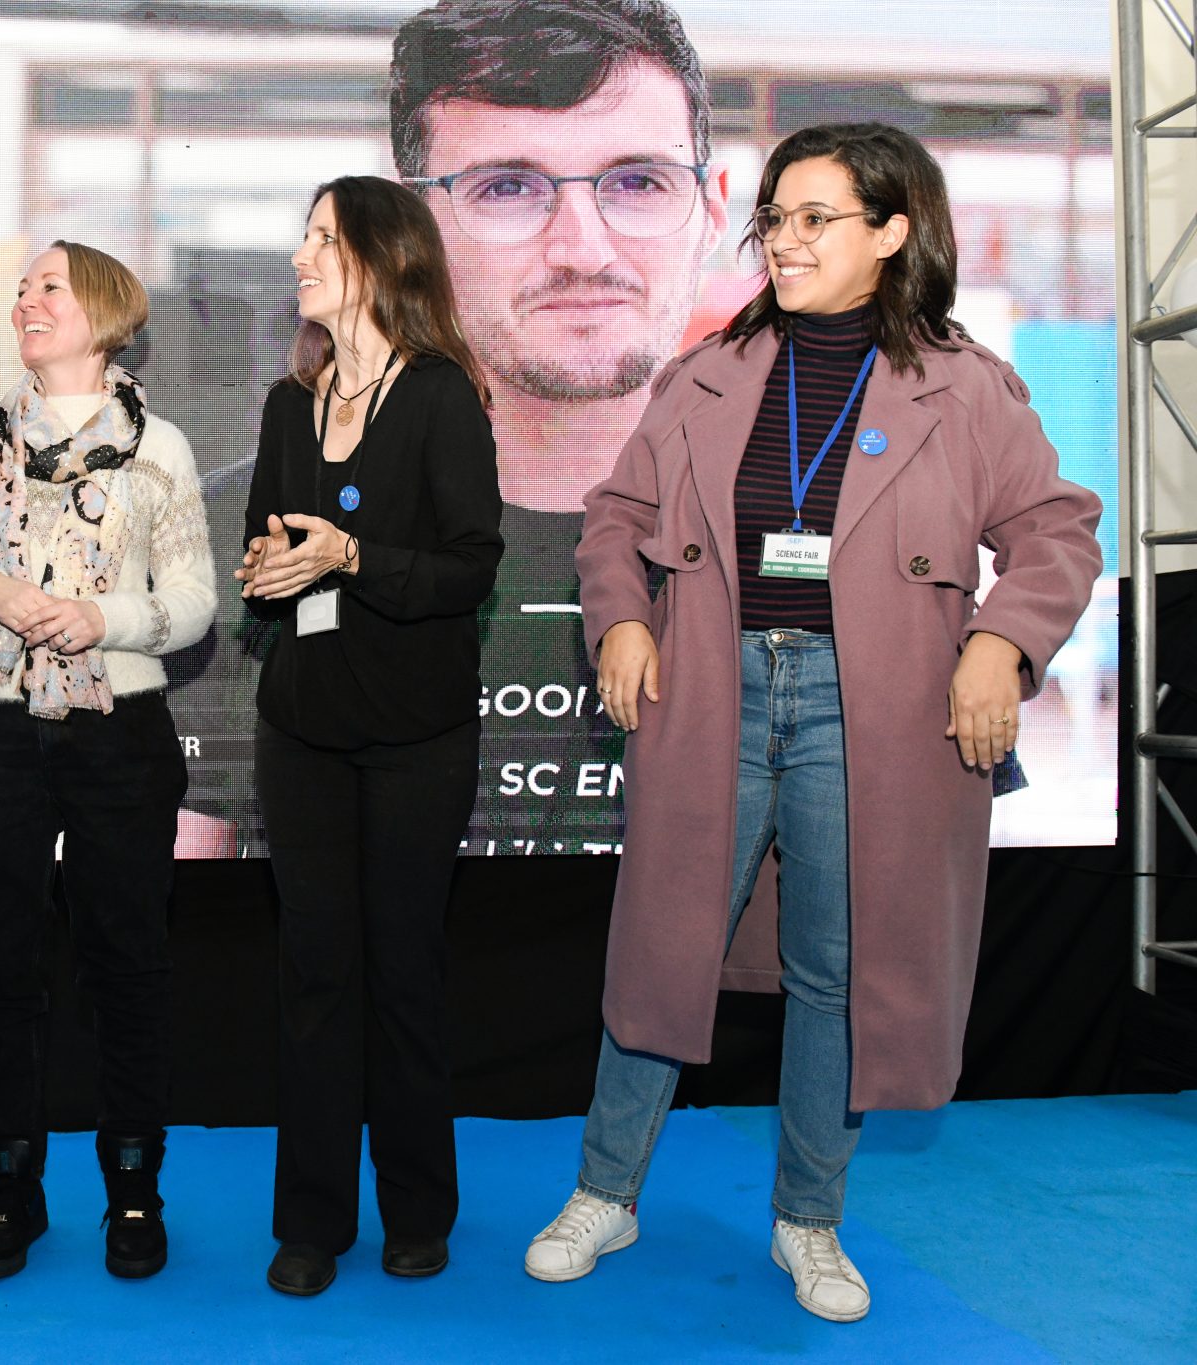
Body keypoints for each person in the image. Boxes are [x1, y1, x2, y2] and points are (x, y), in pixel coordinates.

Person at [526, 123, 1101, 1322]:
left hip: (875, 711)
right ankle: (602, 1193)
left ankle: (807, 1220)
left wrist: (997, 643)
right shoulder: (706, 374)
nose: (782, 242)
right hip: (709, 692)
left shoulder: (966, 386)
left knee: (840, 969)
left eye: (813, 220)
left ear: (890, 233)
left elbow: (1054, 531)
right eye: (773, 220)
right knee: (659, 950)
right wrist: (620, 620)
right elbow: (613, 519)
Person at [0, 241, 215, 1282]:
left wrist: (101, 619)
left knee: (129, 963)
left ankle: (134, 1189)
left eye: (49, 285)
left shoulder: (160, 449)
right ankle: (10, 1189)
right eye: (21, 288)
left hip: (119, 731)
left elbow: (193, 603)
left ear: (106, 311)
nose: (26, 301)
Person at [238, 176, 503, 1295]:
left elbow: (471, 566)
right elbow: (263, 547)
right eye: (302, 236)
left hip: (413, 737)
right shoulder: (285, 404)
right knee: (313, 972)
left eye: (322, 239)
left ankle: (416, 1209)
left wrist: (351, 557)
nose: (300, 257)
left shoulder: (439, 396)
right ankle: (310, 1222)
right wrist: (269, 568)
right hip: (300, 727)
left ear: (385, 259)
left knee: (401, 970)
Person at [392, 0, 729, 854]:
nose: (583, 250)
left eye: (639, 182)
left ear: (712, 211)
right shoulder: (248, 536)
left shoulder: (850, 532)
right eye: (507, 187)